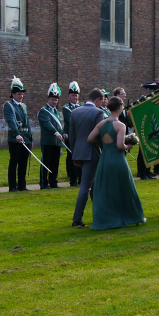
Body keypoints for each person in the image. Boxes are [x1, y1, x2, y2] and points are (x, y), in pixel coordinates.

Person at [85, 96, 145, 229]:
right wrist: (128, 146)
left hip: (104, 158)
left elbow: (90, 138)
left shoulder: (101, 124)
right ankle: (134, 216)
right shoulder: (120, 125)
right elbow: (119, 145)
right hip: (118, 159)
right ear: (120, 107)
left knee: (106, 189)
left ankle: (106, 217)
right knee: (126, 188)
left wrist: (101, 142)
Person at [69, 88, 105, 228]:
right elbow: (100, 134)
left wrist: (74, 153)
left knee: (94, 185)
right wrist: (105, 150)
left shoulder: (75, 112)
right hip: (92, 153)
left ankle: (100, 213)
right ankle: (77, 218)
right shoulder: (98, 112)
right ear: (98, 100)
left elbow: (72, 135)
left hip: (79, 152)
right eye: (102, 101)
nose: (102, 104)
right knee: (86, 187)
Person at [3, 77, 32, 192]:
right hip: (15, 139)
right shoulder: (9, 105)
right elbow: (11, 121)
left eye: (22, 94)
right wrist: (16, 134)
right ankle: (12, 186)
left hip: (25, 138)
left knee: (23, 163)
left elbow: (27, 123)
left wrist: (30, 138)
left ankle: (22, 185)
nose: (21, 96)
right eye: (19, 94)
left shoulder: (23, 106)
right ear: (13, 94)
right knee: (14, 162)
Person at [38, 83, 66, 189]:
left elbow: (59, 126)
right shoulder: (43, 111)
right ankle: (43, 183)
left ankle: (53, 182)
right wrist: (56, 133)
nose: (54, 101)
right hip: (48, 141)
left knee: (55, 163)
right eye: (52, 99)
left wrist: (62, 134)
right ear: (48, 99)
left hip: (57, 142)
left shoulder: (57, 112)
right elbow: (47, 124)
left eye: (56, 100)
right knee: (46, 163)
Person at [62, 82, 81, 186]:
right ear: (69, 96)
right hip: (71, 136)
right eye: (73, 95)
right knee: (71, 157)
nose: (75, 97)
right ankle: (72, 178)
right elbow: (71, 120)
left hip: (80, 136)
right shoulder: (66, 108)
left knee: (81, 157)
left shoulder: (81, 107)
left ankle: (80, 177)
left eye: (76, 95)